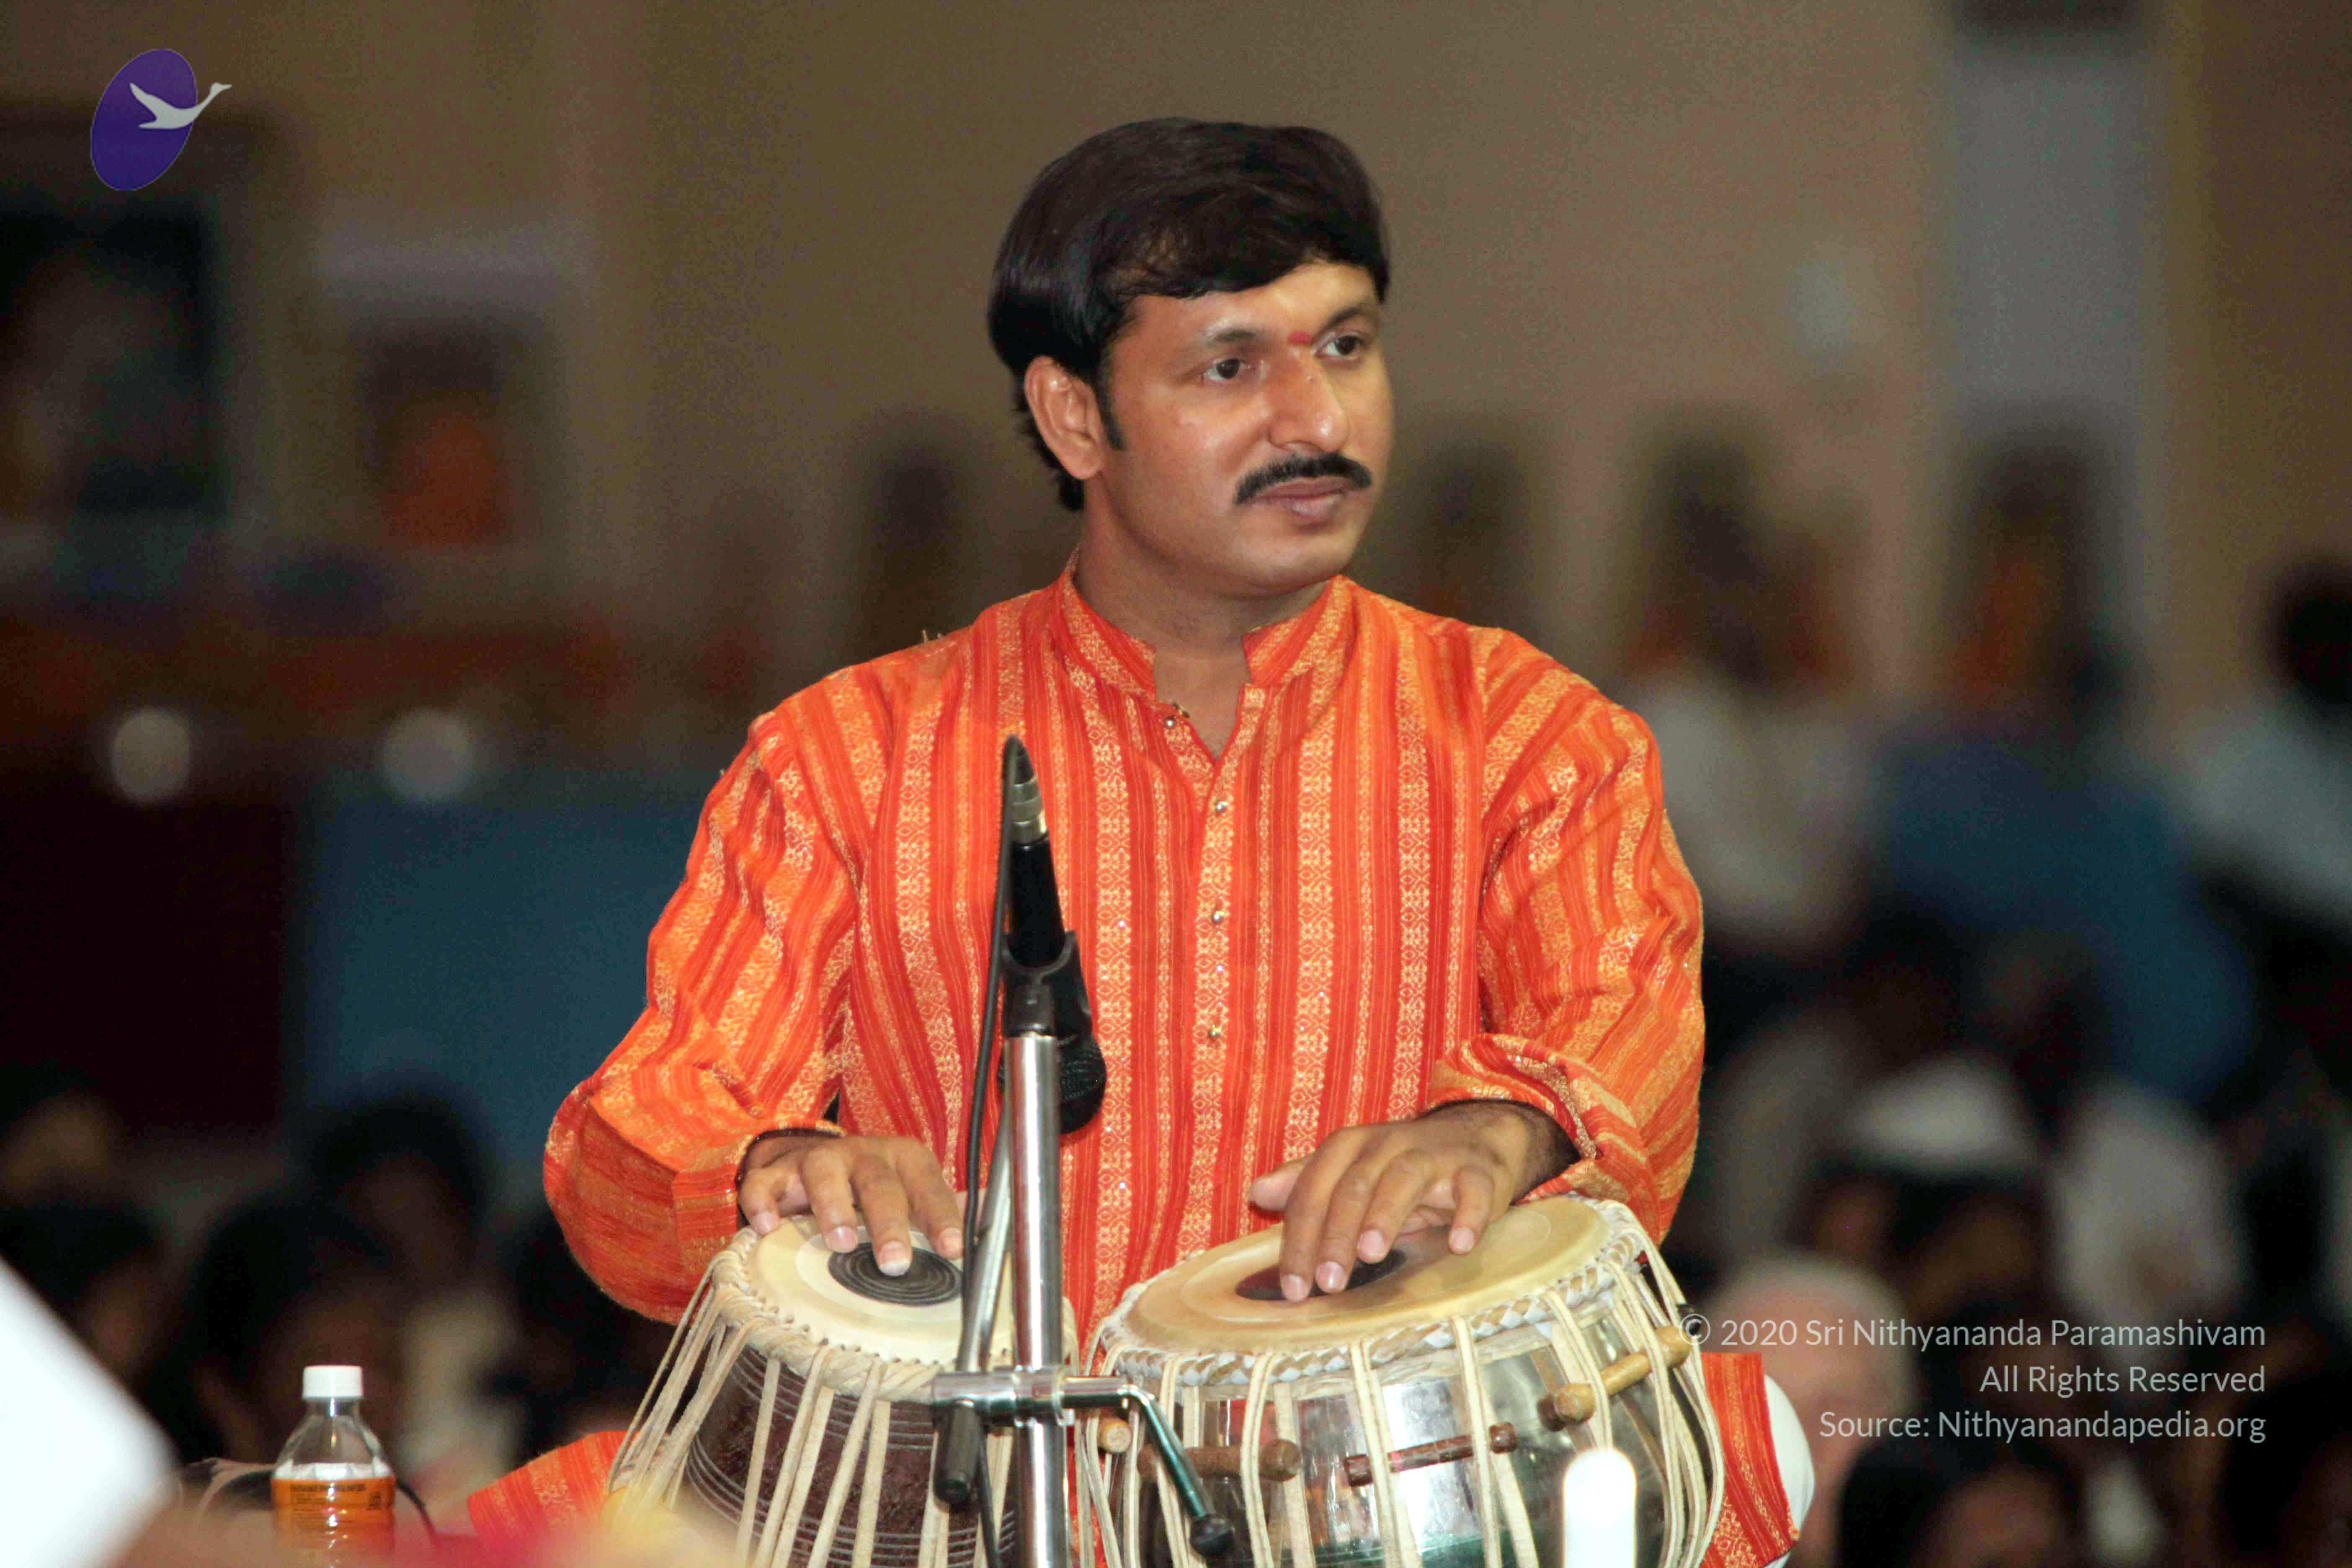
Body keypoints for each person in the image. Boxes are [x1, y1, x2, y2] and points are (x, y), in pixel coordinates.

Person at [515, 119, 1802, 1561]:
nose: (1316, 420)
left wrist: (1494, 1130)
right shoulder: (846, 759)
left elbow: (1629, 1051)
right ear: (1075, 419)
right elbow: (631, 1138)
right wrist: (772, 1165)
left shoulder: (1528, 741)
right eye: (1230, 368)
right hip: (965, 1529)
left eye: (1348, 346)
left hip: (1381, 1522)